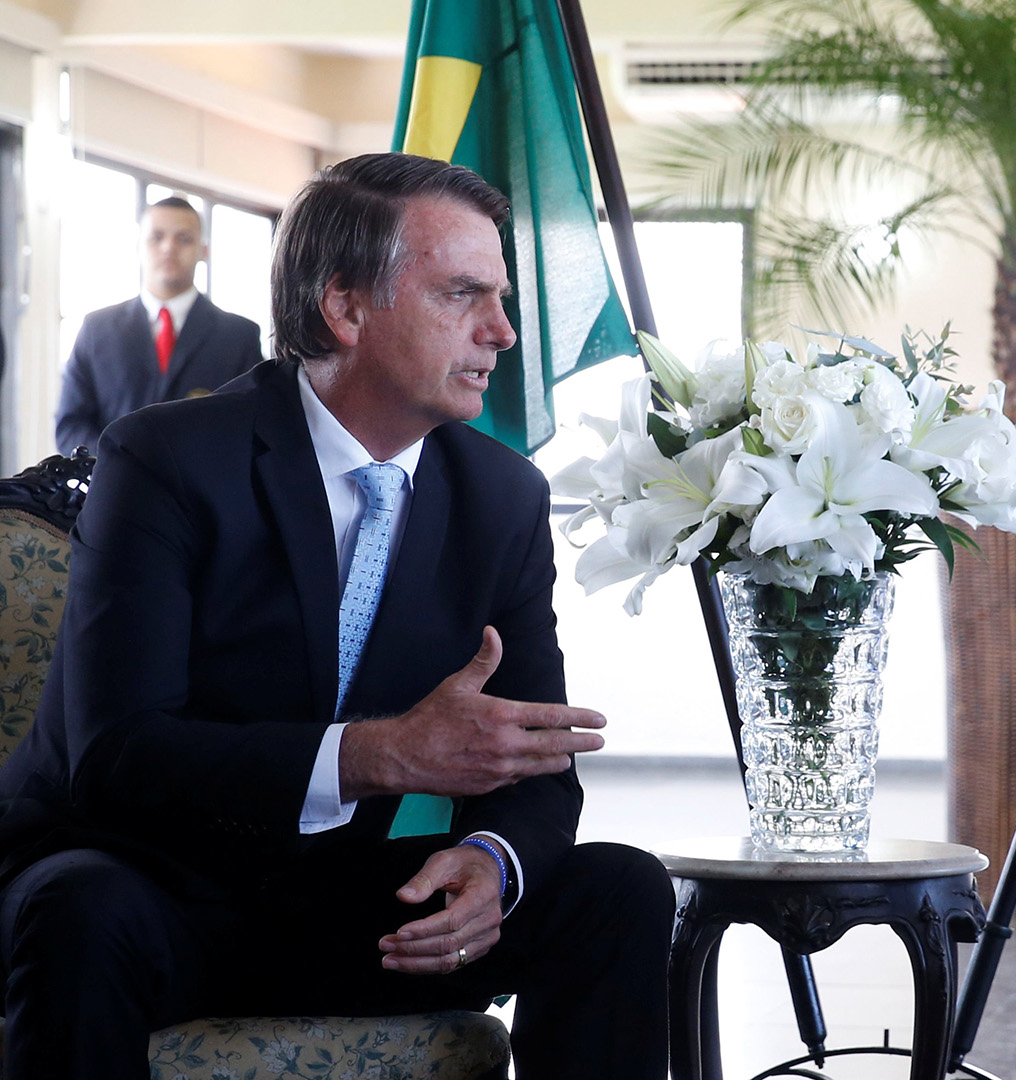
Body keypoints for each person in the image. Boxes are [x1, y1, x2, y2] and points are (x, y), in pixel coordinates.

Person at [0, 154, 672, 1079]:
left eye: (502, 297)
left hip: (362, 906)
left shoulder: (501, 496)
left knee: (619, 889)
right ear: (346, 309)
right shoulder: (164, 460)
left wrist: (491, 859)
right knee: (78, 906)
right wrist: (378, 754)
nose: (503, 332)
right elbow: (115, 758)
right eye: (462, 296)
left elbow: (535, 765)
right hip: (154, 890)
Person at [54, 196, 264, 455]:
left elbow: (255, 425)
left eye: (184, 238)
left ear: (204, 250)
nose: (168, 248)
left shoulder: (238, 336)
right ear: (138, 246)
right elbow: (70, 423)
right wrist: (114, 462)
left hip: (202, 490)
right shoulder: (96, 330)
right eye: (156, 237)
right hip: (113, 487)